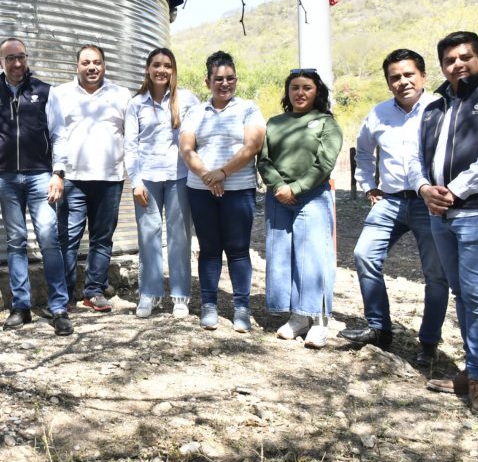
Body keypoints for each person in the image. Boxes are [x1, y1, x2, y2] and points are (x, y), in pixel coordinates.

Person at [415, 31, 478, 419]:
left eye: (464, 57)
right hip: (439, 213)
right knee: (461, 292)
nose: (457, 65)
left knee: (477, 295)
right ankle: (470, 371)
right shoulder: (435, 107)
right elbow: (416, 157)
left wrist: (455, 190)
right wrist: (425, 188)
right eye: (449, 60)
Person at [340, 49, 448, 365]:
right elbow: (362, 152)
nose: (402, 82)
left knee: (436, 273)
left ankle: (428, 343)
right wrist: (367, 185)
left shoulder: (440, 109)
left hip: (429, 204)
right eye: (395, 78)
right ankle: (379, 328)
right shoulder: (378, 114)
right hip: (390, 201)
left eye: (408, 75)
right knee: (364, 254)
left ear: (423, 76)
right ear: (389, 83)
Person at [0, 38, 73, 336]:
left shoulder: (44, 92)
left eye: (21, 57)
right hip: (4, 178)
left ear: (27, 59)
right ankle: (21, 307)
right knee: (15, 240)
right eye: (10, 58)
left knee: (48, 238)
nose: (17, 63)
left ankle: (58, 307)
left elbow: (59, 134)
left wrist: (59, 173)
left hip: (41, 175)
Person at [179, 51, 265, 331]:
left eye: (230, 78)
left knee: (238, 250)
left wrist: (223, 173)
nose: (225, 84)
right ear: (208, 82)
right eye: (219, 79)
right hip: (201, 189)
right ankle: (209, 305)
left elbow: (252, 146)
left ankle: (241, 307)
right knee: (209, 249)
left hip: (239, 190)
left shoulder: (249, 109)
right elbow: (187, 148)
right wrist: (207, 175)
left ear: (236, 80)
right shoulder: (195, 112)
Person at [258, 69, 342, 347]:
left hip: (313, 196)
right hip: (278, 197)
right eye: (295, 87)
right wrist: (279, 186)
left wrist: (296, 188)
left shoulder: (325, 123)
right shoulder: (275, 122)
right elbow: (264, 160)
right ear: (288, 92)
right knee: (283, 255)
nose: (300, 92)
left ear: (316, 91)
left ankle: (318, 320)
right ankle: (297, 317)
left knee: (313, 256)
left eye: (307, 87)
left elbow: (325, 162)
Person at [51, 44, 132, 313]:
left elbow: (130, 137)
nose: (92, 67)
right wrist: (57, 173)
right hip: (72, 178)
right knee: (68, 238)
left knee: (102, 238)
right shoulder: (60, 94)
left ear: (104, 65)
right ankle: (63, 295)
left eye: (96, 62)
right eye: (86, 62)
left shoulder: (121, 95)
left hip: (110, 179)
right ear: (77, 66)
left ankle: (94, 291)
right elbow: (54, 137)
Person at [124, 47, 200, 319]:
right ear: (147, 69)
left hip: (179, 176)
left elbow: (196, 138)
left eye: (167, 65)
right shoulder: (136, 104)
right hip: (147, 180)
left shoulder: (188, 100)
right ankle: (150, 293)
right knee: (148, 237)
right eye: (156, 65)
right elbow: (130, 146)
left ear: (173, 69)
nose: (161, 70)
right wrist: (136, 181)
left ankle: (180, 296)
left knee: (179, 237)